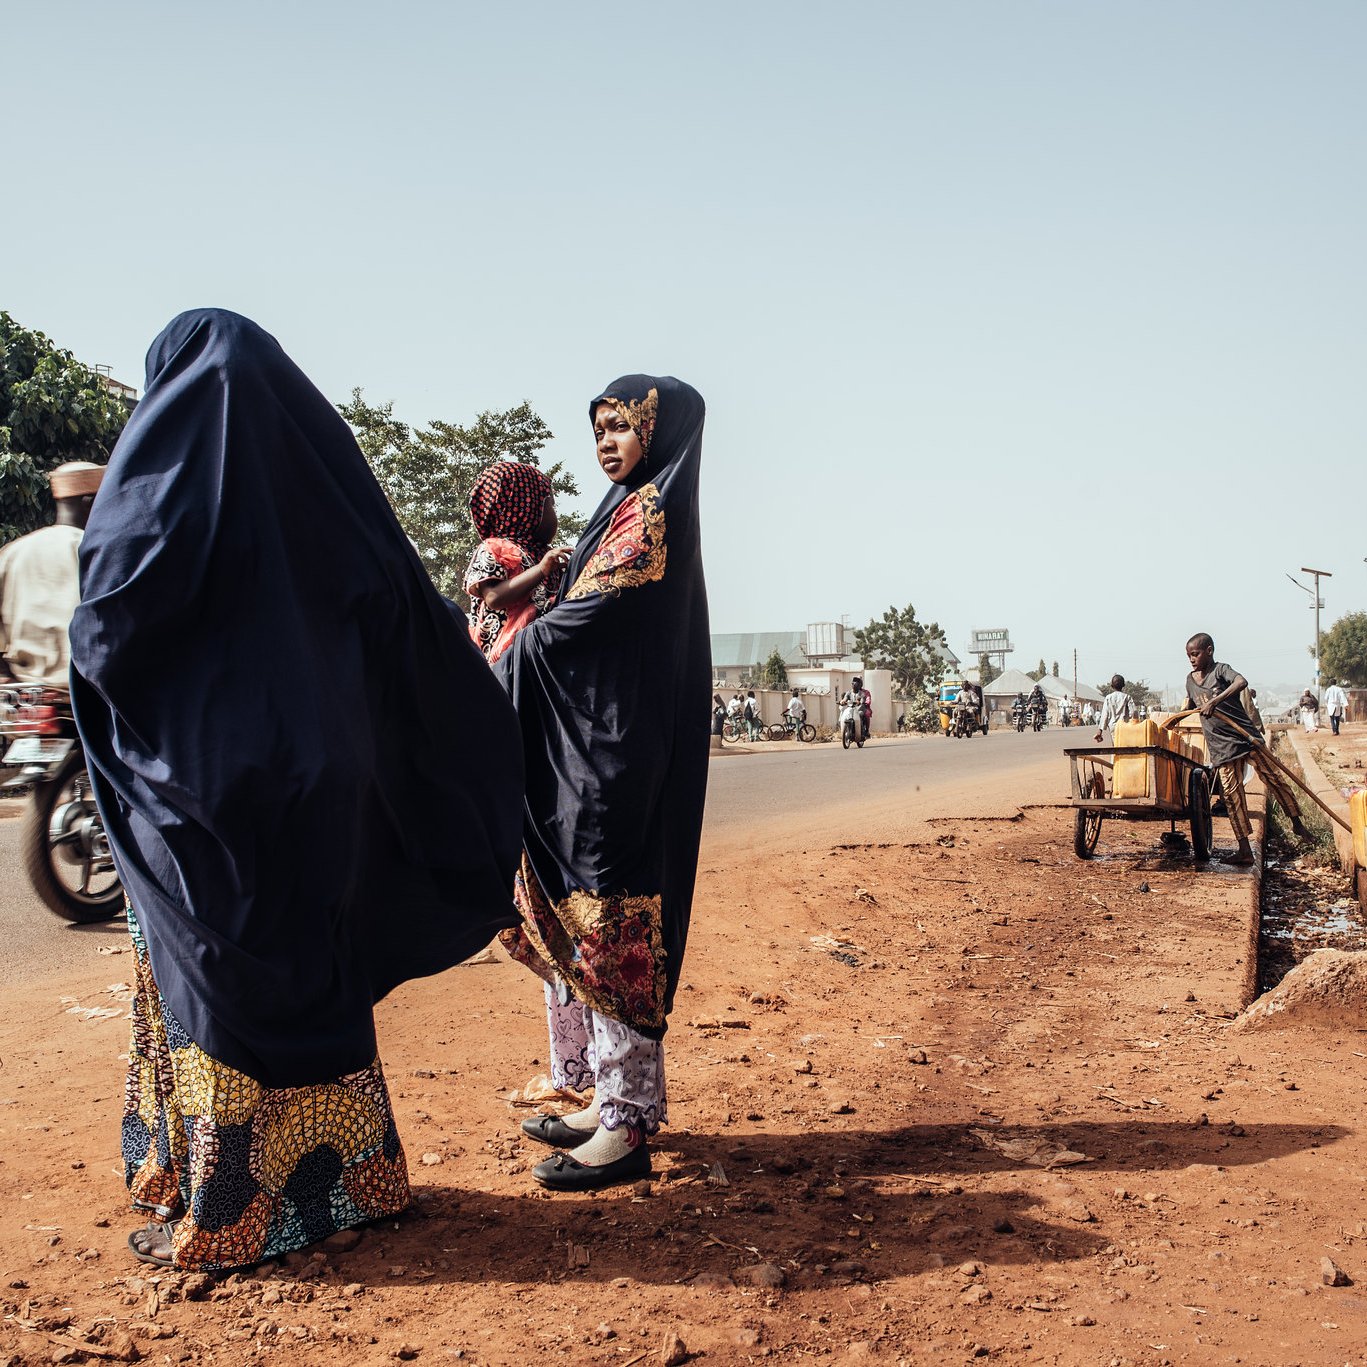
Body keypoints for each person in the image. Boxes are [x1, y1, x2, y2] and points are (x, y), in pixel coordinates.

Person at [69, 310, 524, 1271]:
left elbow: (106, 616)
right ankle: (354, 1180)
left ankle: (230, 1207)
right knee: (311, 965)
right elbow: (410, 613)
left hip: (201, 789)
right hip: (322, 782)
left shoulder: (160, 496)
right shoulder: (326, 493)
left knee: (218, 982)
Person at [496, 375, 708, 1192]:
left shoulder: (651, 513)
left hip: (616, 755)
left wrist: (512, 653)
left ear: (657, 431)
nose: (607, 443)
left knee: (613, 925)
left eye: (620, 426)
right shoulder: (621, 508)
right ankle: (612, 1100)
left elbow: (589, 617)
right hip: (592, 743)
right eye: (598, 431)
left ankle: (624, 1124)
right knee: (590, 924)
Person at [1184, 632, 1308, 864]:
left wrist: (1215, 701)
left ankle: (1297, 824)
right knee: (1232, 798)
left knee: (1274, 778)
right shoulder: (1190, 681)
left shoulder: (1220, 670)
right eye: (1189, 655)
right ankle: (1244, 850)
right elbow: (1191, 705)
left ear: (1209, 651)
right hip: (1221, 747)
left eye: (1195, 654)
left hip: (1245, 737)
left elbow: (1241, 682)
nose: (1192, 659)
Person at [0, 462, 105, 686]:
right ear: (90, 503)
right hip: (79, 694)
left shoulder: (14, 552)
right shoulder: (94, 552)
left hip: (23, 695)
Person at [463, 461, 574, 663]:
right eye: (550, 505)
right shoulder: (494, 548)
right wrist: (541, 570)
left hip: (543, 655)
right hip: (506, 661)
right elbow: (494, 597)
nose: (554, 513)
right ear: (524, 507)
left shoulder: (545, 554)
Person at [1094, 675, 1132, 742]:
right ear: (1123, 685)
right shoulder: (1127, 697)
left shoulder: (1108, 698)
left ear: (1111, 686)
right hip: (1125, 726)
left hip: (1113, 727)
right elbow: (1134, 712)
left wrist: (1100, 731)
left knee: (1116, 744)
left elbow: (1104, 715)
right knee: (1125, 745)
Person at [852, 675, 872, 741]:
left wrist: (867, 702)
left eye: (858, 682)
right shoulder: (851, 692)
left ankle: (867, 730)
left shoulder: (866, 692)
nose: (856, 684)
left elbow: (868, 698)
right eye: (854, 682)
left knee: (867, 714)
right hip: (854, 708)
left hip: (864, 707)